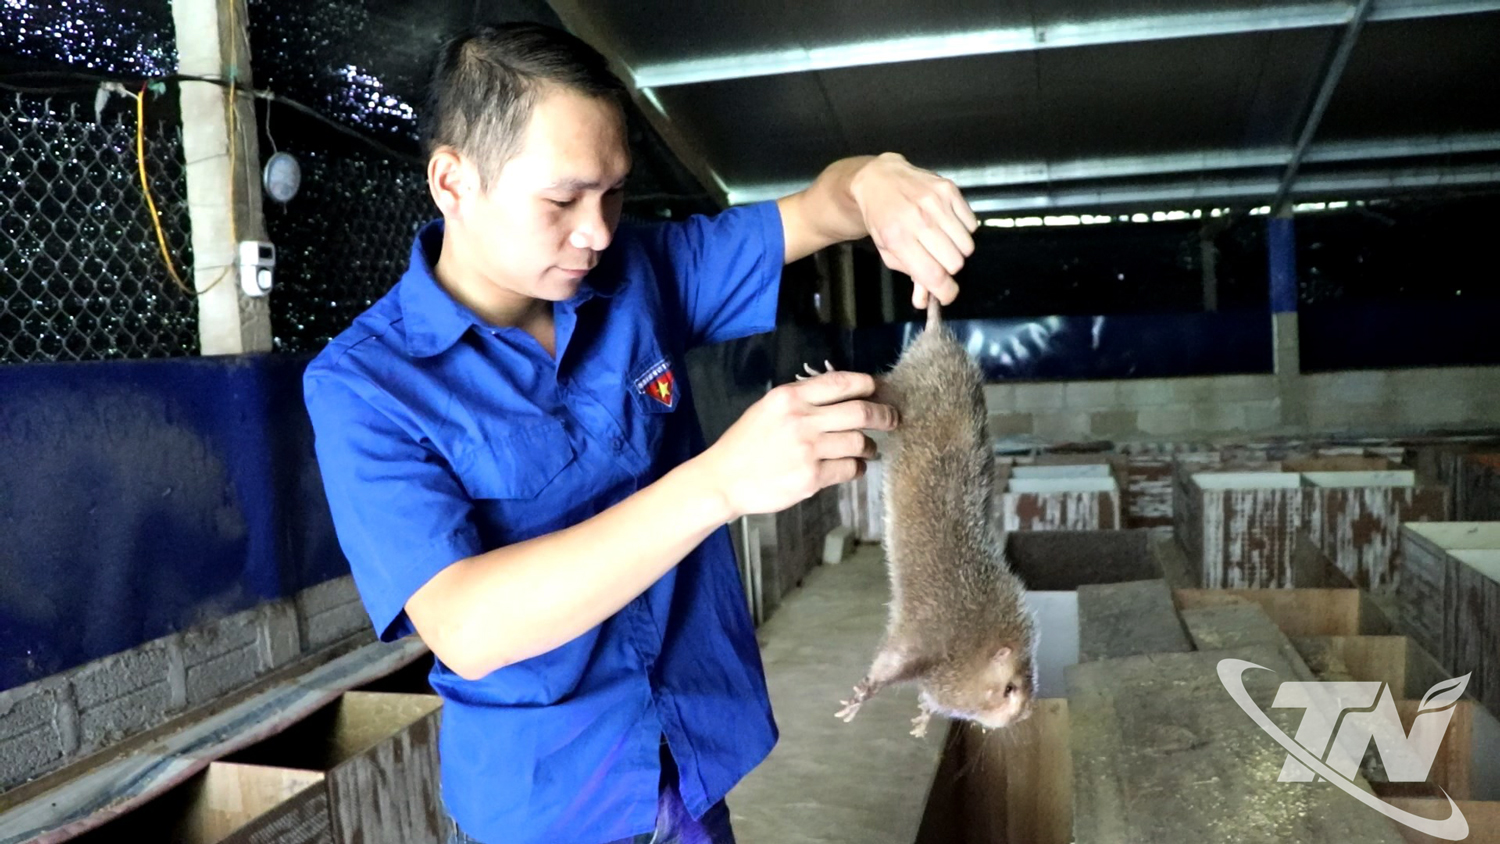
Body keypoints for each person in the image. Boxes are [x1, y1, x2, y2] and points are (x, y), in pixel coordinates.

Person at [303, 21, 977, 844]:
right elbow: (467, 626)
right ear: (453, 181)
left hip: (690, 766)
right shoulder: (366, 385)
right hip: (551, 808)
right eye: (562, 200)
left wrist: (875, 182)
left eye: (615, 193)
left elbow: (816, 211)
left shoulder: (638, 273)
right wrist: (721, 483)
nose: (596, 232)